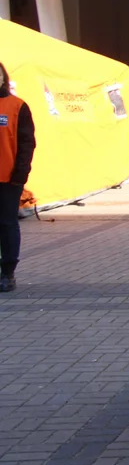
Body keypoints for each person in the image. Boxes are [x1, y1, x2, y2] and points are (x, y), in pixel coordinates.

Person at [0, 62, 34, 293]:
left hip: (7, 178)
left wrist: (20, 174)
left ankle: (7, 273)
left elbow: (26, 142)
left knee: (6, 223)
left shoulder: (17, 106)